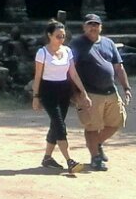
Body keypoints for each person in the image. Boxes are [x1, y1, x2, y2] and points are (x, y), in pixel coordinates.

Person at [71, 13, 132, 171]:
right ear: (84, 27)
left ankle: (96, 144)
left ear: (101, 27)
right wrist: (76, 93)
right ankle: (95, 158)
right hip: (90, 93)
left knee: (117, 122)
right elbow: (70, 69)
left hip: (110, 91)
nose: (93, 27)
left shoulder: (108, 43)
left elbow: (119, 67)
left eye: (96, 24)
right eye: (90, 24)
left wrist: (126, 87)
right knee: (91, 126)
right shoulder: (77, 44)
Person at [30, 20, 92, 172]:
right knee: (59, 125)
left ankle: (47, 158)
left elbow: (73, 74)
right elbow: (37, 77)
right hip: (48, 91)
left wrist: (83, 93)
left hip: (64, 90)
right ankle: (70, 161)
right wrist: (36, 97)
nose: (61, 39)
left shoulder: (67, 51)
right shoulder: (42, 53)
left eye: (63, 36)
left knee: (56, 124)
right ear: (49, 35)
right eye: (58, 36)